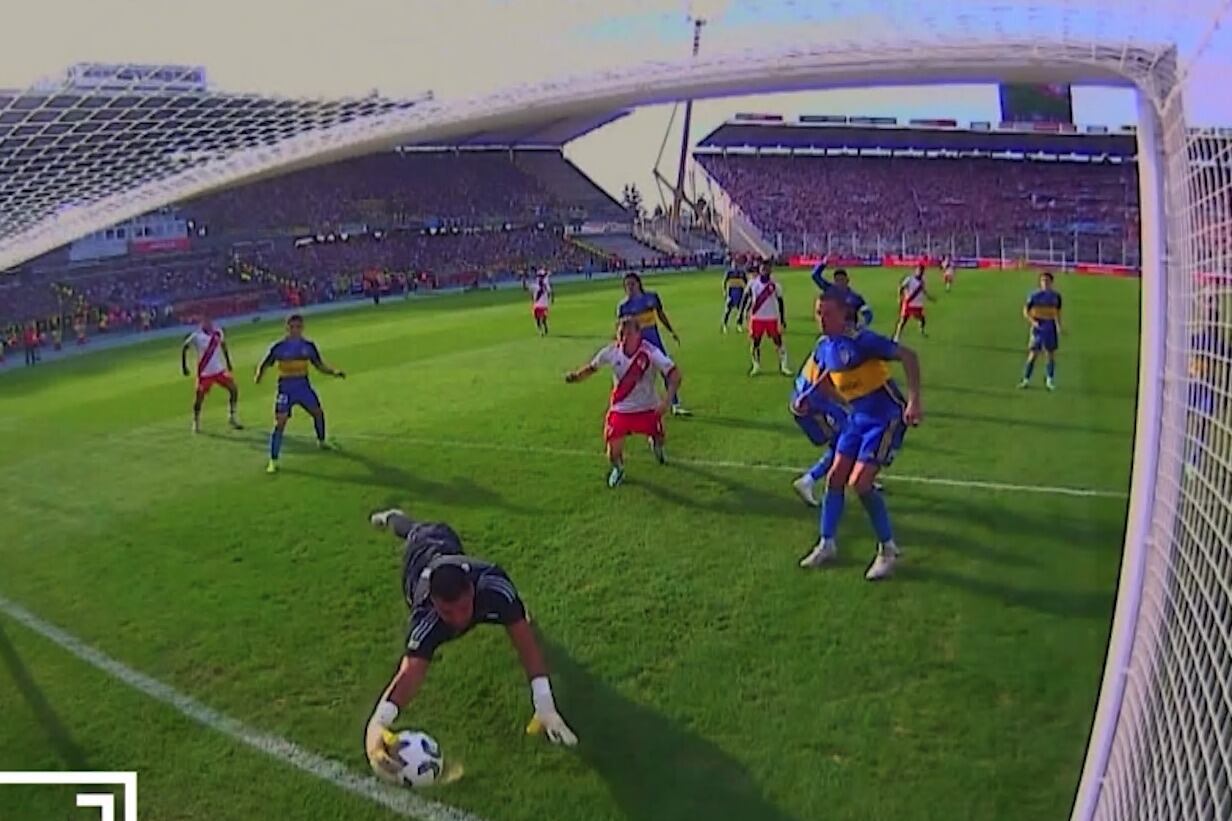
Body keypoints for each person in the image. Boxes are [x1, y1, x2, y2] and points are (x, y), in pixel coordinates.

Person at [364, 508, 577, 782]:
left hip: (446, 542)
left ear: (472, 590)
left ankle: (406, 523)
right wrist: (378, 722)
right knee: (414, 532)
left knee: (516, 615)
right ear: (435, 603)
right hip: (418, 558)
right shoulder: (426, 616)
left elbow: (525, 641)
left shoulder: (493, 585)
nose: (459, 619)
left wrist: (544, 703)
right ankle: (392, 517)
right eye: (448, 613)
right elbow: (410, 672)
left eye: (464, 607)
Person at [798, 292, 923, 581]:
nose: (821, 319)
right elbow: (827, 378)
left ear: (844, 316)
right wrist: (811, 398)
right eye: (818, 313)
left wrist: (915, 401)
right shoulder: (825, 346)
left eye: (827, 313)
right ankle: (827, 543)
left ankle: (887, 551)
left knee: (861, 482)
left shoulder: (864, 341)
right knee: (835, 477)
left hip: (886, 418)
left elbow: (909, 356)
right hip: (858, 419)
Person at [566, 317, 682, 488]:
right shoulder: (611, 352)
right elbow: (592, 367)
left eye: (628, 334)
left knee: (659, 438)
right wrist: (576, 376)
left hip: (648, 407)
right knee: (612, 449)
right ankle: (618, 469)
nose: (624, 338)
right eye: (621, 333)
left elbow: (675, 375)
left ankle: (656, 444)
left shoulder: (650, 352)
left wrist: (666, 401)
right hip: (621, 408)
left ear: (638, 334)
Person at [254, 314, 346, 474]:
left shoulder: (308, 346)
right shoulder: (279, 347)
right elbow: (265, 363)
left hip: (303, 386)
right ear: (287, 328)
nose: (295, 330)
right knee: (280, 423)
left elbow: (319, 365)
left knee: (318, 412)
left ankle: (322, 440)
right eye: (292, 327)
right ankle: (273, 460)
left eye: (298, 327)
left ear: (302, 328)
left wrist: (333, 372)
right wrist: (259, 376)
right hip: (286, 389)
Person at [617, 272, 690, 416]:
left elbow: (661, 315)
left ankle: (675, 404)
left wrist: (671, 331)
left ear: (639, 284)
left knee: (667, 372)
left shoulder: (651, 298)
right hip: (637, 347)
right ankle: (629, 409)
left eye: (632, 284)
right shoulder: (623, 306)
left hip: (655, 344)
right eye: (627, 285)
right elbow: (621, 329)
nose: (630, 287)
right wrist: (620, 346)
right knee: (633, 377)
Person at [788, 344, 850, 507]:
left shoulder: (827, 341)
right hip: (813, 405)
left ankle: (858, 473)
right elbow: (823, 382)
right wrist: (848, 402)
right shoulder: (838, 347)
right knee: (847, 440)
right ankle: (808, 480)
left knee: (848, 438)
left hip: (806, 398)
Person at [181, 317, 243, 433]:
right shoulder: (196, 337)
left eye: (209, 321)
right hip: (205, 373)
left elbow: (224, 346)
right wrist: (184, 366)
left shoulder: (217, 333)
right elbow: (184, 347)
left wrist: (228, 362)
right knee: (199, 397)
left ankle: (232, 416)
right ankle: (196, 421)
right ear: (201, 324)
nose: (209, 324)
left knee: (233, 389)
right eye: (206, 322)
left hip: (218, 371)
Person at [741, 261, 792, 376]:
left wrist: (782, 319)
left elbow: (780, 302)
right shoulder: (753, 283)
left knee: (778, 342)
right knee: (755, 342)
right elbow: (746, 299)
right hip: (757, 318)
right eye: (763, 268)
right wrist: (742, 314)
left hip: (771, 318)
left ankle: (784, 366)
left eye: (767, 268)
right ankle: (756, 365)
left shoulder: (775, 285)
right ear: (759, 269)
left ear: (771, 270)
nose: (765, 270)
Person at [1018, 272, 1063, 391]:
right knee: (1033, 354)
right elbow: (1025, 311)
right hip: (1038, 327)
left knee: (1050, 355)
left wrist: (1058, 326)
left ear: (1051, 283)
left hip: (1050, 326)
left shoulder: (1056, 296)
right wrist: (1033, 322)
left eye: (1047, 281)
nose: (1044, 283)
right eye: (1042, 280)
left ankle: (1049, 380)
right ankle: (1026, 380)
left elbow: (1057, 312)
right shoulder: (1034, 295)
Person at [811, 260, 874, 329]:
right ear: (834, 281)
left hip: (849, 331)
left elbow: (868, 314)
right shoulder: (829, 289)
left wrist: (863, 325)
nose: (840, 282)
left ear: (847, 280)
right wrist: (823, 263)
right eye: (837, 280)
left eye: (842, 279)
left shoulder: (855, 297)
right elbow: (815, 275)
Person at [892, 264, 933, 341]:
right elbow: (901, 287)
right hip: (909, 304)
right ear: (916, 270)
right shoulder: (909, 279)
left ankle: (922, 331)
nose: (920, 272)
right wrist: (899, 298)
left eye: (921, 271)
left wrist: (929, 297)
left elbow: (923, 291)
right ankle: (896, 336)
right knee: (903, 320)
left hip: (918, 305)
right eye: (918, 270)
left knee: (922, 319)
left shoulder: (922, 281)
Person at [721, 257, 749, 333]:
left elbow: (747, 283)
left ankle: (739, 325)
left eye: (736, 263)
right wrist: (725, 292)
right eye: (734, 263)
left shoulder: (742, 273)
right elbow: (724, 282)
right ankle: (725, 325)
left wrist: (747, 292)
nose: (735, 265)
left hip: (740, 294)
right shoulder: (729, 272)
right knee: (728, 310)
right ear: (731, 264)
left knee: (741, 310)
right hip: (731, 294)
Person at [531, 268, 554, 336]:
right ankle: (542, 330)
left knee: (539, 319)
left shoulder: (538, 285)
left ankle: (542, 329)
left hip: (540, 305)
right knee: (540, 319)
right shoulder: (543, 285)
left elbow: (527, 288)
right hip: (542, 305)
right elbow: (550, 292)